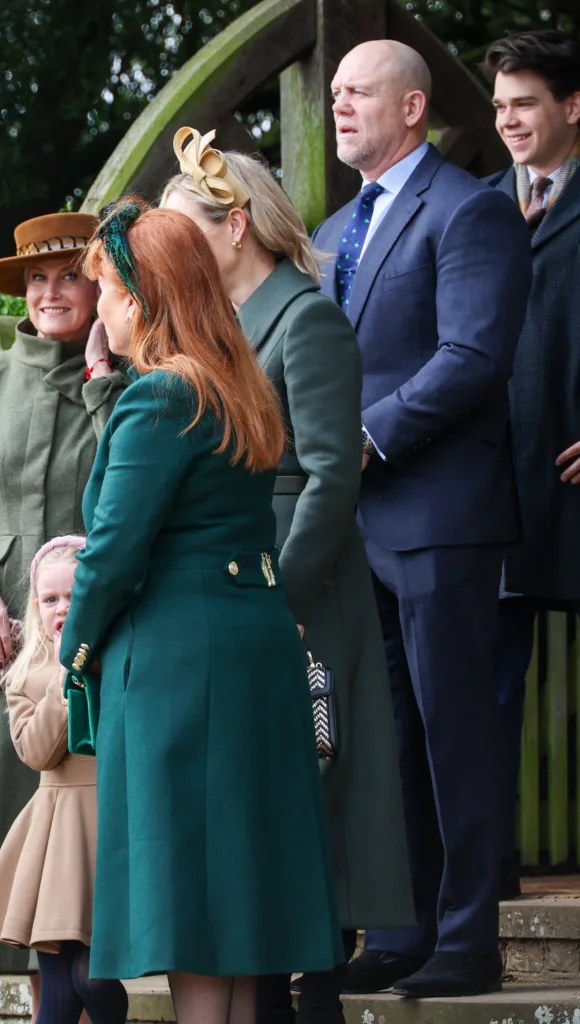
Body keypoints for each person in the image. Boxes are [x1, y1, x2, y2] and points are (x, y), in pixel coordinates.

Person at [58, 199, 344, 1024]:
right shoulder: (239, 381)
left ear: (147, 297)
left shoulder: (160, 399)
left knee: (191, 902)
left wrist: (74, 651)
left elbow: (111, 555)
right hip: (252, 649)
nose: (98, 307)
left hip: (183, 660)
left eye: (108, 289)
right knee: (242, 906)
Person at [162, 128, 413, 1024]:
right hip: (236, 583)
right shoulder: (219, 328)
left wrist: (283, 598)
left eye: (184, 227)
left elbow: (335, 473)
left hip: (300, 585)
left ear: (235, 227)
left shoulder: (305, 318)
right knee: (253, 821)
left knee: (311, 803)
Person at [314, 40, 532, 998]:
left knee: (455, 730)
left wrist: (366, 437)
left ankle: (467, 939)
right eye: (332, 94)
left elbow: (473, 355)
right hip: (355, 524)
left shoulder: (472, 211)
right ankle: (401, 930)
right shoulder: (330, 228)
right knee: (385, 733)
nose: (339, 105)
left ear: (412, 107)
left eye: (357, 91)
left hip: (443, 513)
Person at [0, 212, 128, 985]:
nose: (49, 292)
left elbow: (135, 489)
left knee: (88, 855)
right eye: (35, 279)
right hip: (3, 638)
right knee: (2, 840)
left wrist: (105, 379)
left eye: (68, 275)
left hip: (93, 640)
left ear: (97, 284)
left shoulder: (125, 380)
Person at [481, 28, 580, 901]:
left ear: (573, 106)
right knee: (487, 691)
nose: (508, 120)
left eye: (526, 103)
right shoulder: (479, 206)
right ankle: (492, 870)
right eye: (501, 105)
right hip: (495, 484)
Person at [0, 536, 128, 1024]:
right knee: (59, 991)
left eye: (75, 596)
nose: (63, 608)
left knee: (94, 977)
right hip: (59, 829)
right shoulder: (28, 672)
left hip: (115, 820)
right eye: (50, 599)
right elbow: (38, 753)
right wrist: (64, 679)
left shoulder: (124, 652)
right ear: (36, 607)